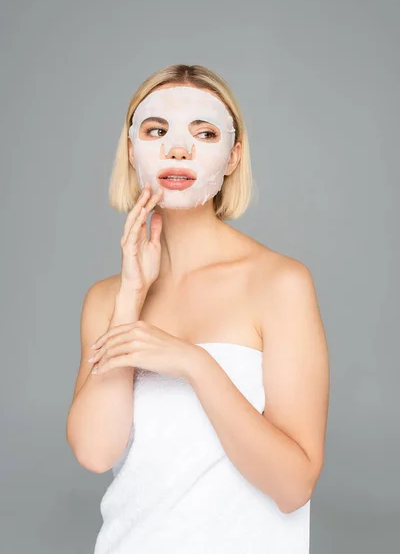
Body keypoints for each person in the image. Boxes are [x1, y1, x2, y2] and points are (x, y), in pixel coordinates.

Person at [66, 63, 329, 553]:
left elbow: (293, 487)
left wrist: (194, 363)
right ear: (131, 149)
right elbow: (95, 452)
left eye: (204, 132)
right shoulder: (107, 298)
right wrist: (129, 301)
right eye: (156, 130)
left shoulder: (280, 284)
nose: (178, 148)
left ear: (233, 155)